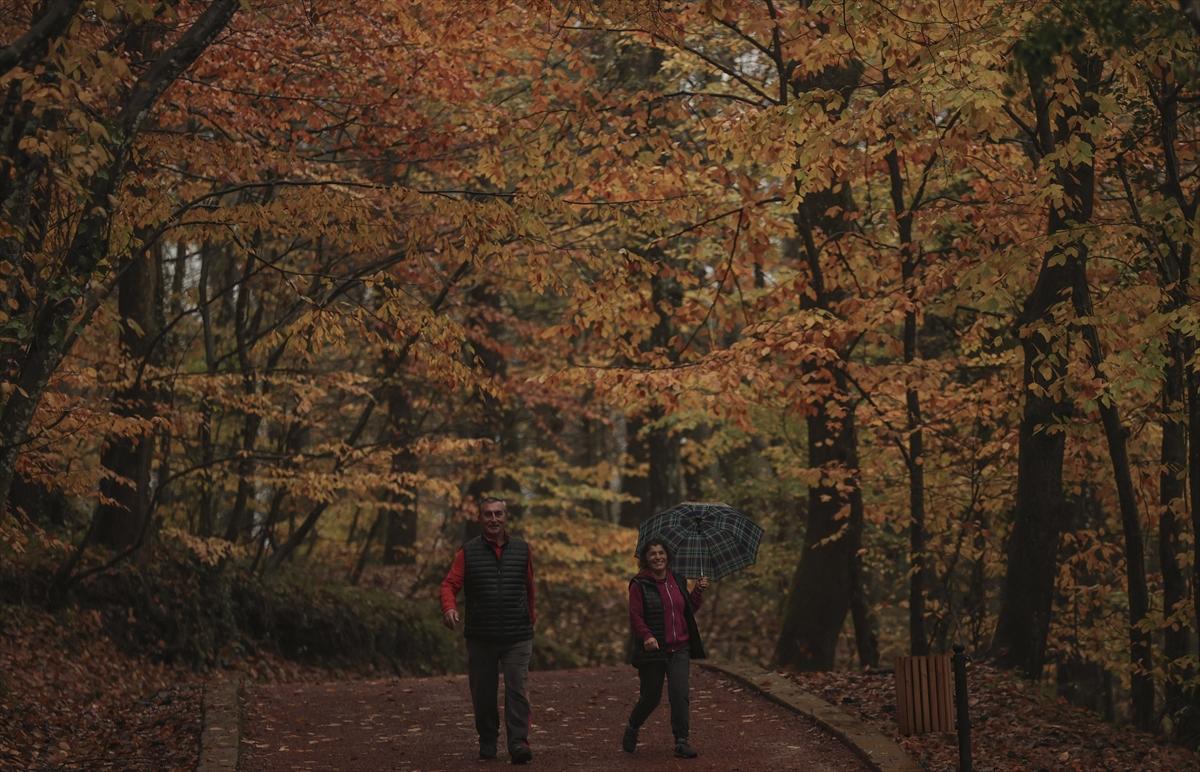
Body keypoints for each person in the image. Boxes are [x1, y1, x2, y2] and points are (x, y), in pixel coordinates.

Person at [440, 496, 536, 764]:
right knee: (483, 693)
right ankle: (488, 740)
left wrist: (531, 618)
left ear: (506, 517)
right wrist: (449, 608)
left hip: (517, 635)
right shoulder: (467, 552)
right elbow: (449, 585)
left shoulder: (522, 550)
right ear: (480, 518)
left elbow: (529, 587)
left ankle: (518, 743)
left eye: (498, 514)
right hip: (481, 636)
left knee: (517, 690)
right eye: (488, 514)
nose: (494, 519)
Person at [621, 537, 709, 759]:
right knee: (651, 697)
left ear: (667, 556)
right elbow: (635, 616)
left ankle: (681, 741)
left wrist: (697, 591)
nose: (658, 557)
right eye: (653, 554)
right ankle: (633, 725)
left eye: (661, 553)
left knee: (680, 694)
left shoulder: (677, 579)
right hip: (654, 650)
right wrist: (647, 636)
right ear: (646, 558)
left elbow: (687, 610)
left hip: (680, 647)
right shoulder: (639, 584)